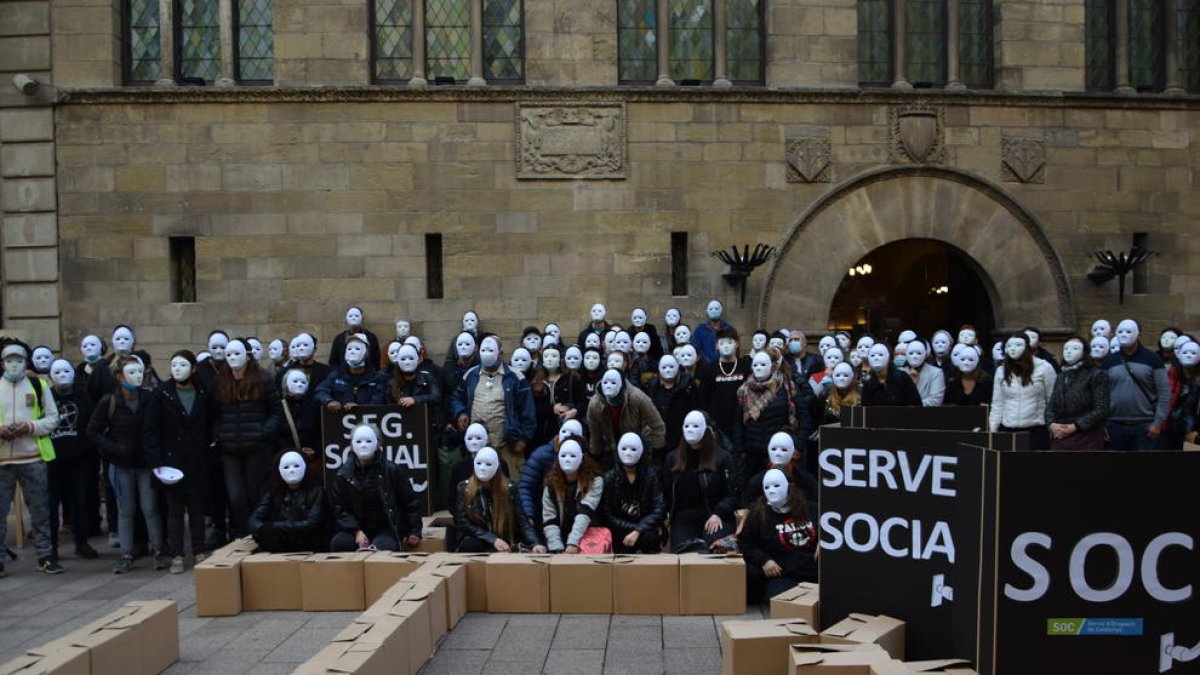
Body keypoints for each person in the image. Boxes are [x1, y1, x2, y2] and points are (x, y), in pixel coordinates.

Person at [87, 354, 167, 574]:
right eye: (132, 372)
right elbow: (93, 432)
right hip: (121, 464)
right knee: (126, 509)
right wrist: (114, 448)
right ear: (119, 376)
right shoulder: (109, 401)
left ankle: (159, 549)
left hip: (144, 464)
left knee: (150, 508)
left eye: (140, 372)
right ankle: (126, 553)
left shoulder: (149, 398)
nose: (137, 377)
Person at [144, 350, 214, 573]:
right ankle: (176, 553)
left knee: (197, 508)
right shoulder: (161, 393)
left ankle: (199, 549)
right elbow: (151, 429)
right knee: (175, 510)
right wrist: (155, 461)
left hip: (197, 459)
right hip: (171, 461)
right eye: (174, 365)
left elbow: (211, 421)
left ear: (193, 368)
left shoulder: (203, 391)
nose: (177, 369)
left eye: (183, 365)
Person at [0, 339, 62, 576]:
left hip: (33, 457)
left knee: (40, 509)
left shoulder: (38, 386)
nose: (14, 365)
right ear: (3, 363)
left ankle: (46, 556)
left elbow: (52, 418)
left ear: (25, 362)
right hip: (3, 459)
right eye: (9, 361)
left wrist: (30, 426)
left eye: (18, 361)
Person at [213, 339, 283, 537]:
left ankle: (259, 532)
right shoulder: (221, 381)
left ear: (248, 355)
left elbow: (277, 411)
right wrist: (220, 435)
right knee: (236, 496)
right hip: (230, 449)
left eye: (237, 353)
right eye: (229, 355)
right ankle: (244, 534)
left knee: (256, 494)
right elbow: (214, 414)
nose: (233, 359)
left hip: (256, 447)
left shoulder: (263, 379)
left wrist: (263, 433)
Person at [450, 336, 536, 478]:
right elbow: (456, 397)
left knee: (509, 485)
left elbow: (528, 411)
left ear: (501, 354)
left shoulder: (516, 377)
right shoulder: (471, 375)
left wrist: (523, 439)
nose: (486, 354)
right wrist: (460, 413)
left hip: (506, 444)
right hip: (477, 446)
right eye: (483, 350)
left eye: (491, 350)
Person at [329, 425, 422, 551]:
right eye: (358, 441)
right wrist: (356, 531)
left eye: (368, 441)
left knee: (381, 548)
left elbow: (410, 502)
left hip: (387, 527)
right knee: (339, 544)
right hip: (356, 529)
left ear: (378, 444)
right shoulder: (343, 475)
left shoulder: (392, 470)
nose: (363, 445)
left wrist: (414, 531)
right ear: (351, 445)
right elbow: (340, 508)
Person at [663, 410, 739, 553]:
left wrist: (718, 513)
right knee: (683, 552)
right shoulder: (672, 459)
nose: (690, 430)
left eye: (695, 426)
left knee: (714, 548)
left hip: (714, 514)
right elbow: (664, 493)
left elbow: (732, 494)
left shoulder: (723, 458)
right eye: (687, 426)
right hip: (683, 518)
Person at [737, 469, 819, 602]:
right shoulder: (758, 513)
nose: (771, 491)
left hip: (813, 570)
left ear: (789, 487)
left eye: (776, 486)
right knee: (783, 601)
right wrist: (764, 560)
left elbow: (832, 528)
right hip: (783, 573)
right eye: (767, 487)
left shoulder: (812, 509)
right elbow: (745, 542)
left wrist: (824, 541)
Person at [46, 358, 98, 562]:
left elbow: (91, 423)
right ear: (51, 376)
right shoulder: (46, 398)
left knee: (79, 503)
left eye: (66, 371)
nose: (62, 376)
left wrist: (85, 449)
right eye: (57, 372)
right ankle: (51, 547)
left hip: (77, 459)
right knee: (50, 506)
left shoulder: (83, 397)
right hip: (52, 460)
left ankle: (81, 542)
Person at [455, 447, 543, 553]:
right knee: (472, 545)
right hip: (479, 539)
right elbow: (463, 523)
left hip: (504, 540)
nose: (483, 468)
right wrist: (492, 539)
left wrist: (535, 543)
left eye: (488, 464)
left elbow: (522, 521)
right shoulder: (464, 489)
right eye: (479, 463)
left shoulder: (510, 489)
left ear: (497, 467)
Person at [1101, 319, 1171, 451]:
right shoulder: (1109, 361)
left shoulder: (1153, 359)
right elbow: (1101, 393)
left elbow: (1164, 392)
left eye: (1128, 331)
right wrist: (1103, 423)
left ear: (1139, 334)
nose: (1124, 335)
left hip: (1144, 425)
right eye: (1120, 332)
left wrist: (1158, 423)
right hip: (1114, 425)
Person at [736, 351, 806, 473]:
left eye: (763, 364)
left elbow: (804, 416)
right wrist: (740, 450)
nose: (759, 368)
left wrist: (798, 445)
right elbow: (737, 422)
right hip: (753, 453)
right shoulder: (744, 390)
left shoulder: (787, 386)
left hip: (780, 452)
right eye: (756, 365)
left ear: (771, 366)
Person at [585, 368, 666, 470]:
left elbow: (657, 425)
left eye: (613, 383)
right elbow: (595, 434)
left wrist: (657, 453)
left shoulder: (638, 397)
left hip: (638, 446)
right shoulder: (594, 404)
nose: (608, 386)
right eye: (605, 382)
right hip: (611, 448)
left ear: (621, 384)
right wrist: (595, 457)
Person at [249, 450, 328, 553]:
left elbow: (312, 523)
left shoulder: (317, 491)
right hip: (280, 539)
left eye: (296, 466)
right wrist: (265, 529)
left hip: (308, 541)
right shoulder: (273, 491)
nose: (292, 471)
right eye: (286, 467)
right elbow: (255, 520)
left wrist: (276, 527)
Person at [601, 433, 667, 554]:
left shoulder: (651, 475)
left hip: (646, 529)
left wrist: (639, 530)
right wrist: (634, 528)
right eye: (624, 449)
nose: (628, 453)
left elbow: (659, 508)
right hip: (620, 530)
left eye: (633, 449)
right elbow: (608, 515)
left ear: (641, 451)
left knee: (650, 539)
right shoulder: (609, 478)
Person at [989, 334, 1056, 449]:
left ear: (1027, 347)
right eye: (1009, 346)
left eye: (1018, 345)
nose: (1013, 349)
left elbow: (1053, 399)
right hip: (1008, 429)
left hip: (1036, 430)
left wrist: (1051, 425)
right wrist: (993, 428)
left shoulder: (1044, 367)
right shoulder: (1001, 370)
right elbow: (998, 402)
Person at [518, 420, 581, 541]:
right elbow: (526, 486)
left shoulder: (586, 461)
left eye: (572, 433)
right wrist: (529, 515)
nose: (566, 436)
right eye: (564, 431)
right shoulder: (541, 455)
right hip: (544, 513)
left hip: (575, 517)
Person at [1046, 337, 1110, 450]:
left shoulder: (1096, 375)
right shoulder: (1061, 376)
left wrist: (1076, 426)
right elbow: (1052, 404)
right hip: (1061, 434)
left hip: (1086, 435)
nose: (1069, 352)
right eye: (1066, 349)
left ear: (1084, 352)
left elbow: (1101, 408)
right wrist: (1052, 424)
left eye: (1075, 348)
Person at [542, 439, 604, 554]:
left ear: (581, 458)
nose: (567, 459)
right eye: (564, 455)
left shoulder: (594, 481)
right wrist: (557, 548)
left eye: (573, 456)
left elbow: (585, 512)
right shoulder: (551, 485)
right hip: (561, 537)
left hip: (589, 538)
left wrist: (572, 542)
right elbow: (549, 518)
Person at [698, 327, 750, 451]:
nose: (726, 346)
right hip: (717, 426)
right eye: (722, 343)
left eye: (730, 342)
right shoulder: (708, 369)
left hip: (742, 425)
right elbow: (703, 399)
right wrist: (708, 425)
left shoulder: (746, 367)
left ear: (737, 344)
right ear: (716, 345)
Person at [741, 432, 818, 508]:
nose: (778, 453)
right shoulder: (756, 482)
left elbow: (815, 506)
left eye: (784, 449)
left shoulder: (806, 481)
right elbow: (747, 507)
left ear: (793, 452)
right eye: (774, 449)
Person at [643, 355, 697, 463]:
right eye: (664, 367)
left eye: (671, 367)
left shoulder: (688, 386)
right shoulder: (651, 387)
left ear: (677, 367)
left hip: (680, 439)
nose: (668, 370)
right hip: (658, 441)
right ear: (659, 369)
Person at [315, 333, 388, 409]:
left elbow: (379, 401)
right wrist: (329, 401)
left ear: (367, 353)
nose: (353, 352)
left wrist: (358, 409)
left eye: (357, 349)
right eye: (349, 349)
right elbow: (320, 391)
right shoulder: (336, 376)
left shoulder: (377, 378)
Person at [277, 368, 322, 456]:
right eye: (295, 381)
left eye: (303, 382)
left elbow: (321, 431)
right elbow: (276, 435)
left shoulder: (315, 405)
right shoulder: (279, 406)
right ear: (286, 383)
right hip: (287, 455)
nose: (299, 385)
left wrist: (314, 449)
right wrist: (291, 450)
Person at [905, 340, 945, 407]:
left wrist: (913, 405)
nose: (915, 356)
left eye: (919, 353)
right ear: (906, 354)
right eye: (911, 353)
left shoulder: (936, 373)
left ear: (925, 354)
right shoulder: (900, 372)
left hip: (927, 415)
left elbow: (935, 401)